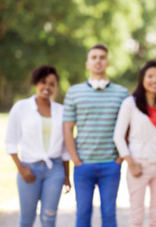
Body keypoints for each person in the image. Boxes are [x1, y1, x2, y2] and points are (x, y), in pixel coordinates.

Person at [63, 43, 129, 227]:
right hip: (83, 165)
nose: (98, 61)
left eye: (102, 57)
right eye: (94, 57)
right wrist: (75, 160)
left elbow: (128, 129)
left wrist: (119, 158)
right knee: (82, 215)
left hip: (111, 165)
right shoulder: (74, 93)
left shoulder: (121, 93)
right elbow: (67, 129)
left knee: (109, 215)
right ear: (87, 63)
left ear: (107, 62)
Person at [5, 65, 71, 227]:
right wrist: (21, 168)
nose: (47, 87)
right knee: (27, 220)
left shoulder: (62, 111)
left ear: (56, 87)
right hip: (29, 168)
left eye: (52, 84)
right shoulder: (21, 108)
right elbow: (11, 141)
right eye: (43, 82)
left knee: (49, 219)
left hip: (54, 170)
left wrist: (66, 175)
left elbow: (64, 147)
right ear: (36, 83)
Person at [113, 60, 156, 227]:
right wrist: (131, 164)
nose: (155, 80)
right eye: (150, 76)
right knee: (137, 216)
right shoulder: (130, 104)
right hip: (138, 164)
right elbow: (118, 136)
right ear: (142, 79)